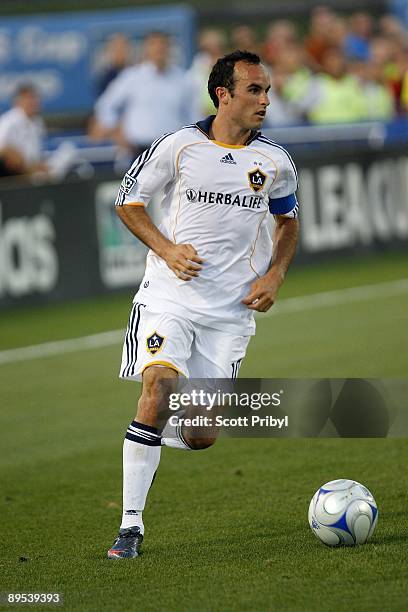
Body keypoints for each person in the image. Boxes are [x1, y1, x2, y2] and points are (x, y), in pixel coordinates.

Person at [107, 50, 299, 559]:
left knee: (203, 434)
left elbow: (288, 223)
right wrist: (167, 250)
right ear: (223, 95)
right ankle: (130, 528)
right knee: (159, 384)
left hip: (229, 312)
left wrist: (275, 274)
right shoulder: (178, 146)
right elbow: (128, 201)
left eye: (267, 91)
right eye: (254, 90)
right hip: (169, 296)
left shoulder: (274, 161)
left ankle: (151, 430)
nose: (264, 100)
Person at [92, 31, 192, 159]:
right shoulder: (132, 77)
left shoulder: (182, 79)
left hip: (173, 150)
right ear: (147, 48)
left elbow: (191, 114)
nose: (158, 49)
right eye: (154, 45)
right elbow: (105, 105)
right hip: (139, 150)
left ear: (169, 48)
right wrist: (117, 132)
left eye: (162, 45)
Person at [0, 83, 77, 180]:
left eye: (35, 98)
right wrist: (24, 166)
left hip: (36, 169)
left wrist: (40, 165)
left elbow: (36, 152)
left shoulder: (37, 121)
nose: (33, 102)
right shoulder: (8, 120)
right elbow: (3, 150)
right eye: (29, 98)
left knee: (68, 149)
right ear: (18, 101)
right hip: (15, 173)